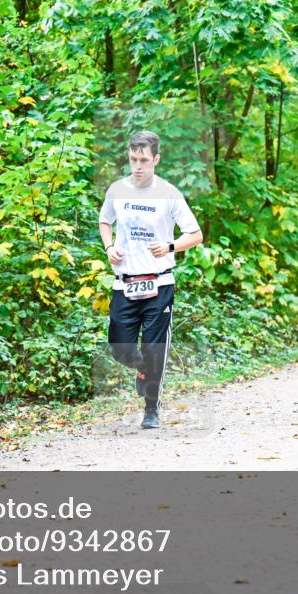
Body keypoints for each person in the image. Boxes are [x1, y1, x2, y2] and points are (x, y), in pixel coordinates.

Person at [99, 131, 203, 429]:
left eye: (144, 160)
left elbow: (195, 234)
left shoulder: (169, 194)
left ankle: (151, 409)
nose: (138, 166)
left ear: (156, 159)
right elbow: (105, 221)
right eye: (133, 159)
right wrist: (109, 247)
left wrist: (170, 246)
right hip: (125, 283)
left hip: (159, 283)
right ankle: (141, 367)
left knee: (156, 349)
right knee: (120, 347)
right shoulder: (117, 190)